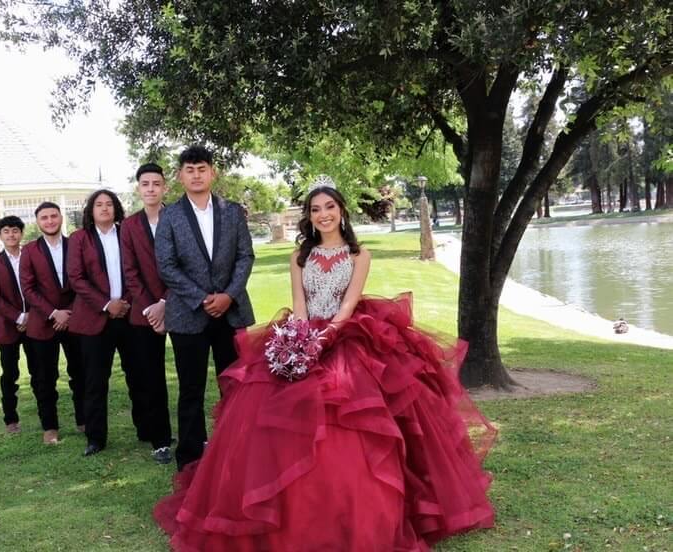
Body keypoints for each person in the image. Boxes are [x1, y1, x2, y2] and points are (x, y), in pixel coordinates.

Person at [154, 178, 496, 551]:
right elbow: (300, 307)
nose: (323, 215)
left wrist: (325, 338)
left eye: (329, 208)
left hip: (350, 335)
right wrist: (297, 343)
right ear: (309, 217)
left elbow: (349, 305)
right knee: (267, 407)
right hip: (305, 334)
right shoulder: (300, 256)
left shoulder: (358, 254)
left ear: (341, 210)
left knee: (359, 418)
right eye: (316, 210)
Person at [155, 145, 255, 470]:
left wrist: (228, 294)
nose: (196, 175)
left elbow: (245, 256)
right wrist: (201, 298)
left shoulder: (232, 211)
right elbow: (166, 265)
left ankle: (237, 449)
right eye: (189, 170)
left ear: (213, 172)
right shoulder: (169, 216)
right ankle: (190, 457)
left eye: (202, 169)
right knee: (191, 388)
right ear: (180, 176)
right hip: (188, 314)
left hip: (231, 310)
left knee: (235, 385)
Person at [67, 189, 134, 457]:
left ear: (116, 208)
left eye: (109, 204)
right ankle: (96, 438)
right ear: (91, 211)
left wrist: (125, 302)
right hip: (95, 319)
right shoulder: (79, 238)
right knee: (95, 382)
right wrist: (107, 304)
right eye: (99, 204)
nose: (104, 208)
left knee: (139, 376)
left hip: (128, 315)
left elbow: (137, 270)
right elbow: (76, 277)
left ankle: (148, 429)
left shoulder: (128, 234)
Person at [121, 163, 174, 464]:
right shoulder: (129, 226)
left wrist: (166, 303)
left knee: (190, 376)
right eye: (145, 183)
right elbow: (130, 272)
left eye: (156, 183)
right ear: (139, 188)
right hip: (145, 313)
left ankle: (195, 436)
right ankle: (160, 440)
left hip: (180, 305)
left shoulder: (179, 216)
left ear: (165, 187)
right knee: (151, 378)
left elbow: (187, 265)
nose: (151, 188)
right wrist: (151, 308)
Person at [19, 201, 84, 445]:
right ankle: (50, 427)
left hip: (75, 319)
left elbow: (83, 280)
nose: (49, 221)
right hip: (43, 322)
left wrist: (69, 312)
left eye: (53, 216)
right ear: (38, 222)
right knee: (45, 378)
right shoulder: (30, 251)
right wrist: (53, 313)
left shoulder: (75, 244)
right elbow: (28, 288)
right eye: (44, 218)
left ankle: (83, 420)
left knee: (81, 373)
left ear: (61, 218)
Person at [0, 215, 35, 434]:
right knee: (9, 374)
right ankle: (10, 420)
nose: (11, 235)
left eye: (15, 230)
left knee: (41, 373)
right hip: (8, 326)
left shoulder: (32, 256)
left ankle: (48, 421)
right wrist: (18, 317)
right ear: (1, 235)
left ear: (21, 233)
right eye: (6, 231)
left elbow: (41, 287)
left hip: (36, 323)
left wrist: (31, 316)